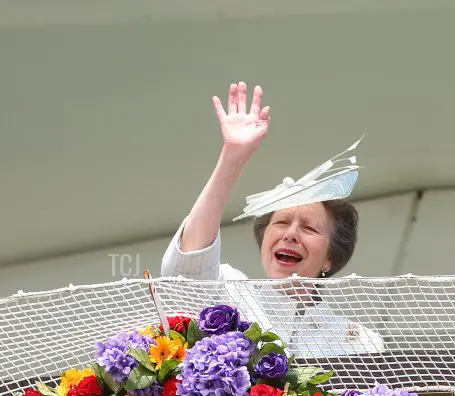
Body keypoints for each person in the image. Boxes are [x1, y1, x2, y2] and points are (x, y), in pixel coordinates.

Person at [160, 80, 383, 358]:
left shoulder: (360, 342)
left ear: (330, 258)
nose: (290, 234)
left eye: (309, 227)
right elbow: (186, 270)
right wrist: (232, 159)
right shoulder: (230, 296)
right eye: (280, 223)